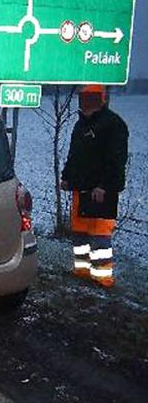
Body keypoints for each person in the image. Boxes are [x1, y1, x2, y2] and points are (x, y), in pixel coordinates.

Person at [61, 84, 129, 288]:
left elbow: (116, 160)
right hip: (80, 189)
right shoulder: (80, 125)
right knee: (80, 234)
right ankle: (82, 271)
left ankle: (102, 278)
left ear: (101, 99)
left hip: (101, 192)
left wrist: (105, 186)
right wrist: (66, 176)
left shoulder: (113, 124)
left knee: (100, 235)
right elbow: (74, 155)